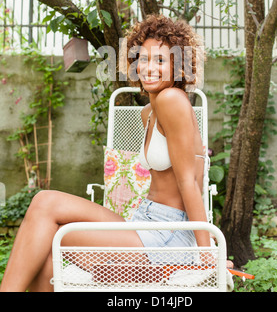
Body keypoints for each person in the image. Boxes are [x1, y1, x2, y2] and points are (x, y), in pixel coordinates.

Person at [0, 14, 218, 292]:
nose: (149, 67)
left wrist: (208, 254)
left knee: (50, 232)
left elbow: (190, 182)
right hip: (143, 220)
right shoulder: (148, 112)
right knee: (44, 204)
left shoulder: (171, 100)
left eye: (161, 61)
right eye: (143, 58)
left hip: (168, 235)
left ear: (179, 67)